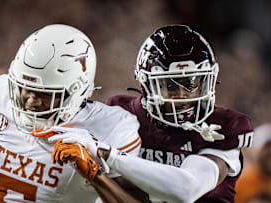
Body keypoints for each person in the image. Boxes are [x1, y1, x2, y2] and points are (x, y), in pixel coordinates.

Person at [0, 24, 142, 202]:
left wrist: (96, 176)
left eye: (44, 94)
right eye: (24, 89)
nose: (30, 101)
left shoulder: (112, 129)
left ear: (77, 91)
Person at [50, 25, 254, 202]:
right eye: (170, 86)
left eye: (191, 84)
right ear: (147, 85)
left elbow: (186, 190)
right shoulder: (121, 114)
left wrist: (108, 154)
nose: (182, 95)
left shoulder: (222, 127)